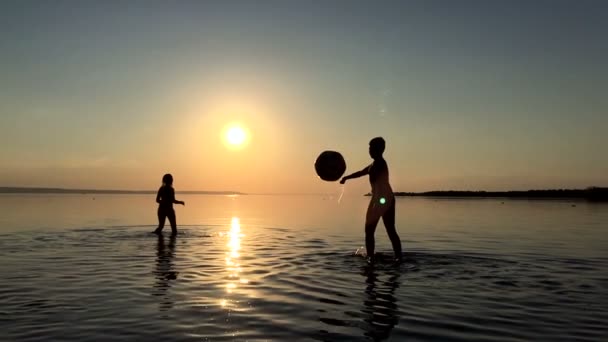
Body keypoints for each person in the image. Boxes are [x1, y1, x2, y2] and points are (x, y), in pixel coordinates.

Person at [340, 137, 402, 264]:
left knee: (383, 229)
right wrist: (346, 177)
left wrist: (379, 202)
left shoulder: (380, 163)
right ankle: (374, 257)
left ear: (380, 149)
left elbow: (380, 184)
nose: (370, 150)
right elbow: (361, 172)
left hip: (383, 200)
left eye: (372, 148)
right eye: (369, 148)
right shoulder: (373, 165)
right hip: (379, 199)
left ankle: (382, 258)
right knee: (373, 230)